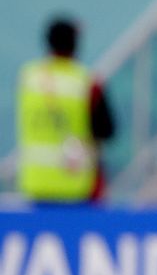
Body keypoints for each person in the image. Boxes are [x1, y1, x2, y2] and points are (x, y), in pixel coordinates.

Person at [17, 18, 115, 203]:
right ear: (76, 43)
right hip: (78, 185)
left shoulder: (29, 78)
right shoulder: (86, 82)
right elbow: (106, 130)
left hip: (36, 184)